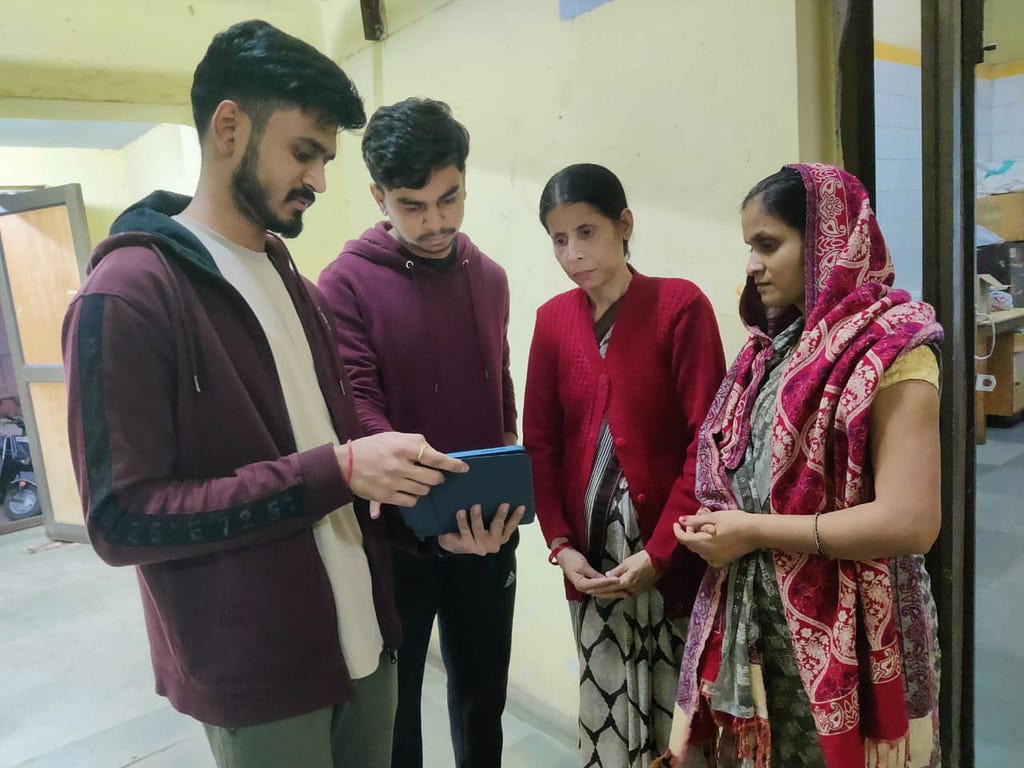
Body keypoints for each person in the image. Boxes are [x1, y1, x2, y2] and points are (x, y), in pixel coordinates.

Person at [61, 21, 467, 768]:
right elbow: (122, 520)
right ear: (228, 128)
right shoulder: (126, 297)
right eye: (304, 152)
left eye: (324, 158)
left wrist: (432, 521)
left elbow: (343, 472)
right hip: (262, 677)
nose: (318, 178)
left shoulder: (292, 281)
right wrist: (335, 469)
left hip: (367, 645)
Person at [660, 163, 944, 768]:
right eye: (749, 247)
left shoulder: (892, 349)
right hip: (765, 630)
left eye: (769, 244)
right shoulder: (768, 352)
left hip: (857, 637)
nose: (752, 265)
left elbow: (912, 521)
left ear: (828, 241)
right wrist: (716, 526)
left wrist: (752, 532)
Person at [317, 97, 523, 768]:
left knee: (482, 703)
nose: (435, 221)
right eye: (413, 205)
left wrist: (507, 503)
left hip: (489, 533)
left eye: (450, 197)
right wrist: (431, 507)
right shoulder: (344, 284)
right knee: (395, 719)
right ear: (378, 194)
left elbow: (500, 393)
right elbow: (359, 412)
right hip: (394, 544)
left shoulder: (489, 278)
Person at [522, 163, 726, 767]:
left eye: (586, 232)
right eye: (559, 239)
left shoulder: (678, 307)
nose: (573, 253)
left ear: (624, 225)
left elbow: (708, 442)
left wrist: (661, 553)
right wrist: (562, 546)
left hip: (673, 561)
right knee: (607, 711)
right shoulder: (552, 322)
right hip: (595, 573)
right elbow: (542, 445)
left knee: (681, 725)